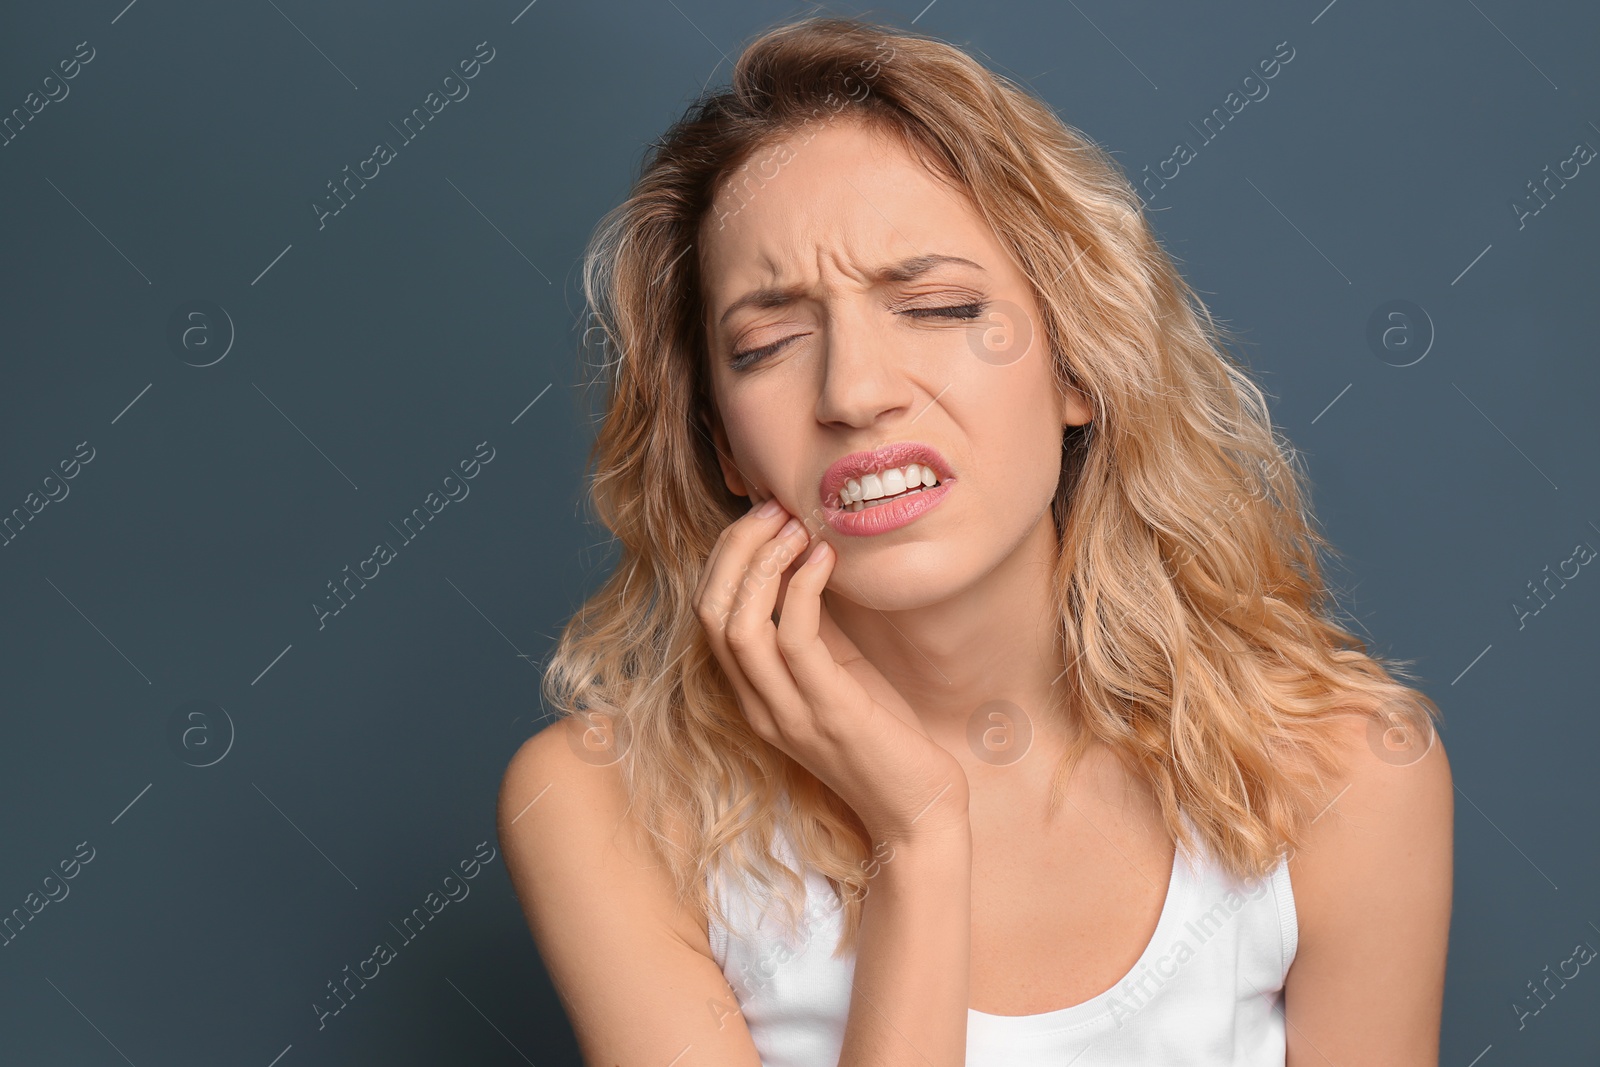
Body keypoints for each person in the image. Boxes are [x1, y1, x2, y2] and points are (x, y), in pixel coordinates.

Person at [497, 15, 1452, 1066]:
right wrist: (917, 835)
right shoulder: (602, 809)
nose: (854, 393)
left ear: (1080, 367)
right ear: (723, 444)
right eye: (768, 343)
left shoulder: (1347, 772)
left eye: (940, 306)